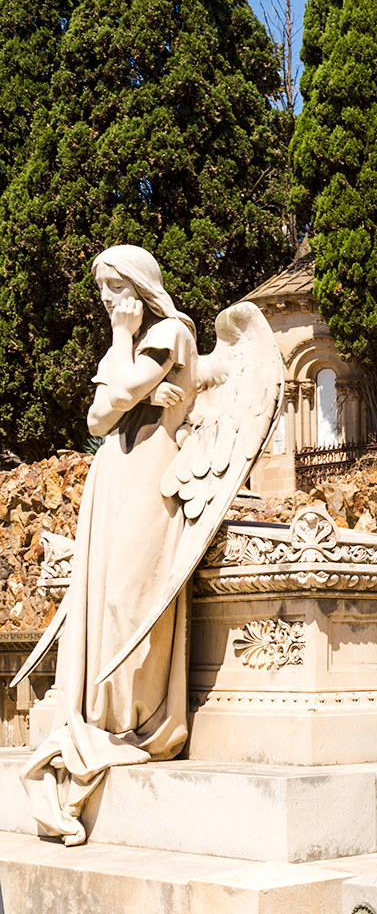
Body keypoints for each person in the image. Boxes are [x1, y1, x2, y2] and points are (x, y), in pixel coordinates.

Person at [21, 245, 198, 845]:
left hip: (153, 478)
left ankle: (126, 722)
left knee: (128, 602)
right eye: (101, 292)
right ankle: (99, 718)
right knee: (100, 607)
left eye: (112, 289)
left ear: (138, 287)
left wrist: (126, 357)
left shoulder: (172, 332)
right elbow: (100, 416)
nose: (106, 302)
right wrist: (132, 380)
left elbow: (119, 393)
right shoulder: (127, 346)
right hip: (111, 480)